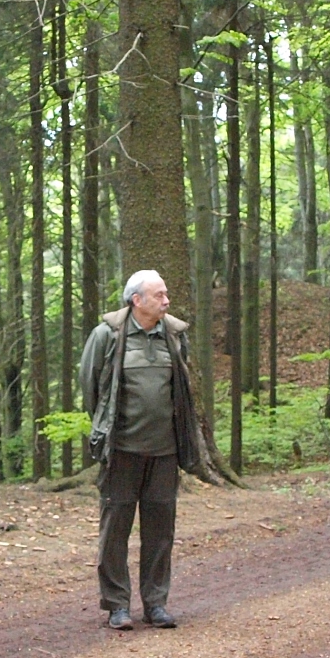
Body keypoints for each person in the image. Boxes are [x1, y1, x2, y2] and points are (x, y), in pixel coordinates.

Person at [78, 270, 201, 630]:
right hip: (121, 451)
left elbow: (181, 388)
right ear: (137, 300)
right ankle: (117, 605)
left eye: (166, 294)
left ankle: (156, 603)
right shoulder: (108, 335)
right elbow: (90, 386)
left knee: (160, 531)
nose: (166, 301)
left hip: (165, 452)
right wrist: (106, 428)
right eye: (159, 295)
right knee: (115, 530)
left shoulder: (174, 335)